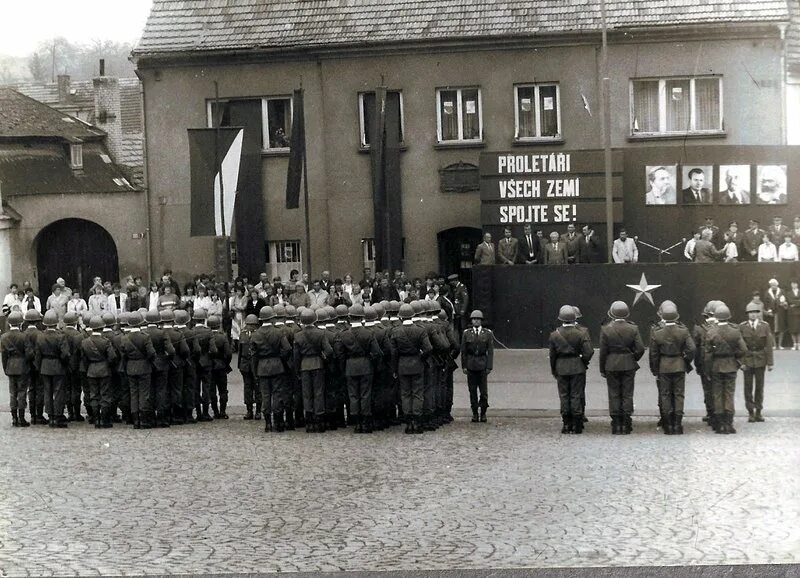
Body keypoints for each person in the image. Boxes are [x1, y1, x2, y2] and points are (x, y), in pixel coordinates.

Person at [649, 301, 695, 435]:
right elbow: (691, 348)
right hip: (679, 365)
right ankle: (678, 425)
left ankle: (668, 425)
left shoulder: (657, 332)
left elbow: (653, 354)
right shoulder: (683, 330)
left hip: (663, 366)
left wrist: (655, 369)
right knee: (679, 395)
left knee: (665, 395)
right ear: (676, 317)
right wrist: (685, 359)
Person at [599, 301, 645, 434]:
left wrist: (602, 368)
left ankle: (616, 423)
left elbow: (603, 352)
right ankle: (626, 422)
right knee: (627, 394)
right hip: (628, 364)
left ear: (612, 314)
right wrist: (632, 358)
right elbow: (640, 348)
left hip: (611, 364)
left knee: (614, 394)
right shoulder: (633, 328)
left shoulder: (606, 329)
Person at [336, 304, 382, 433]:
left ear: (350, 317)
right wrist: (371, 362)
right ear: (362, 318)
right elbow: (377, 352)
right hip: (366, 365)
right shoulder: (368, 333)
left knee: (353, 395)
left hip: (350, 366)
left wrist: (343, 367)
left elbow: (340, 355)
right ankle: (365, 422)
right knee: (365, 394)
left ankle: (356, 422)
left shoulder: (344, 334)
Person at [703, 303, 747, 434]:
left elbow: (708, 355)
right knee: (729, 394)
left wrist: (707, 370)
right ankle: (729, 423)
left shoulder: (711, 332)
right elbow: (743, 349)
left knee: (717, 394)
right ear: (728, 317)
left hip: (716, 366)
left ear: (716, 317)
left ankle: (720, 424)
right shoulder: (735, 331)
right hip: (731, 365)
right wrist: (737, 361)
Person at [548, 305, 593, 434]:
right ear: (574, 318)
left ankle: (566, 424)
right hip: (577, 367)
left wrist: (554, 370)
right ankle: (577, 424)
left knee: (564, 395)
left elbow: (552, 356)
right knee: (576, 395)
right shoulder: (581, 332)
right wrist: (582, 362)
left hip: (561, 367)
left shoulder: (554, 335)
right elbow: (588, 352)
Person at [390, 303, 433, 434]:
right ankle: (417, 421)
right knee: (417, 393)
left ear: (401, 317)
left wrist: (394, 368)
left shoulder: (395, 331)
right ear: (413, 315)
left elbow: (393, 353)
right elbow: (429, 348)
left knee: (405, 394)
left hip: (402, 364)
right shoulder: (420, 330)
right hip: (417, 363)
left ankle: (408, 422)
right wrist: (421, 357)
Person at [251, 306, 292, 432]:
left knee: (265, 395)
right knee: (277, 394)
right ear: (272, 318)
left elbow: (253, 356)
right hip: (277, 365)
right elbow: (287, 349)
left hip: (262, 367)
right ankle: (277, 422)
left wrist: (255, 372)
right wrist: (280, 358)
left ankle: (267, 423)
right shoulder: (278, 332)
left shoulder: (255, 334)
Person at [739, 300, 774, 422]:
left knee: (760, 387)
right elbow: (739, 346)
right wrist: (741, 362)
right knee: (747, 387)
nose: (753, 315)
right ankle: (750, 412)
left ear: (759, 313)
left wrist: (770, 363)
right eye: (750, 313)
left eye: (755, 312)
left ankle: (758, 411)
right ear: (747, 314)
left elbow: (768, 345)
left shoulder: (765, 326)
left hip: (760, 359)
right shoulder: (742, 326)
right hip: (747, 359)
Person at [35, 310, 71, 428]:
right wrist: (64, 363)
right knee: (58, 392)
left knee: (47, 392)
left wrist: (40, 366)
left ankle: (50, 416)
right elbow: (65, 354)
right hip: (58, 365)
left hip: (45, 366)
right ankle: (57, 416)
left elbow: (37, 355)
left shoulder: (40, 336)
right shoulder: (60, 337)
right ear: (56, 323)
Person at [81, 316, 118, 428]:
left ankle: (96, 419)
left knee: (94, 395)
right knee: (105, 395)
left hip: (91, 370)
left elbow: (84, 359)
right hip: (104, 370)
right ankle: (104, 420)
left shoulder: (85, 342)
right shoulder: (105, 341)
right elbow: (112, 357)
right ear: (102, 328)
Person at [460, 310, 493, 424]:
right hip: (471, 365)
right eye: (474, 319)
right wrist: (464, 366)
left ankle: (483, 413)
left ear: (481, 321)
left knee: (483, 392)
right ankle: (475, 413)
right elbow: (463, 351)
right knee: (472, 391)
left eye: (478, 319)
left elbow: (490, 351)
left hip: (482, 365)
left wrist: (489, 366)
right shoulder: (466, 333)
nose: (476, 321)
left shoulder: (487, 333)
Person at [1, 311, 32, 427]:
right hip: (22, 365)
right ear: (20, 323)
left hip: (10, 366)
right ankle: (21, 417)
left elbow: (3, 356)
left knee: (12, 393)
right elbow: (29, 354)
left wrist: (5, 368)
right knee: (22, 392)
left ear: (9, 323)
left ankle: (14, 417)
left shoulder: (4, 337)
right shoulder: (24, 336)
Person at [208, 314, 232, 420]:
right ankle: (222, 411)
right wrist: (226, 364)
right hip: (221, 366)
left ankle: (215, 411)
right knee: (223, 390)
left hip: (210, 366)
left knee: (212, 390)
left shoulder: (207, 336)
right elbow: (228, 353)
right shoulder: (223, 337)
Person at [763, 278, 787, 349]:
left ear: (777, 284)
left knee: (781, 328)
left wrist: (784, 304)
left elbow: (785, 301)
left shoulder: (782, 291)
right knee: (772, 329)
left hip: (780, 313)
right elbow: (765, 303)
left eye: (774, 284)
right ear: (770, 285)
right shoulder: (767, 292)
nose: (773, 286)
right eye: (771, 285)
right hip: (771, 313)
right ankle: (774, 345)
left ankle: (780, 345)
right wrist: (768, 310)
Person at [787, 280, 800, 350]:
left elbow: (793, 302)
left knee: (799, 329)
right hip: (791, 313)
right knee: (792, 329)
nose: (793, 285)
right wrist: (797, 302)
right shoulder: (789, 293)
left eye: (795, 283)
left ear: (797, 284)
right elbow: (789, 301)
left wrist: (794, 304)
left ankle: (799, 344)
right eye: (792, 284)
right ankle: (794, 344)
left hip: (799, 313)